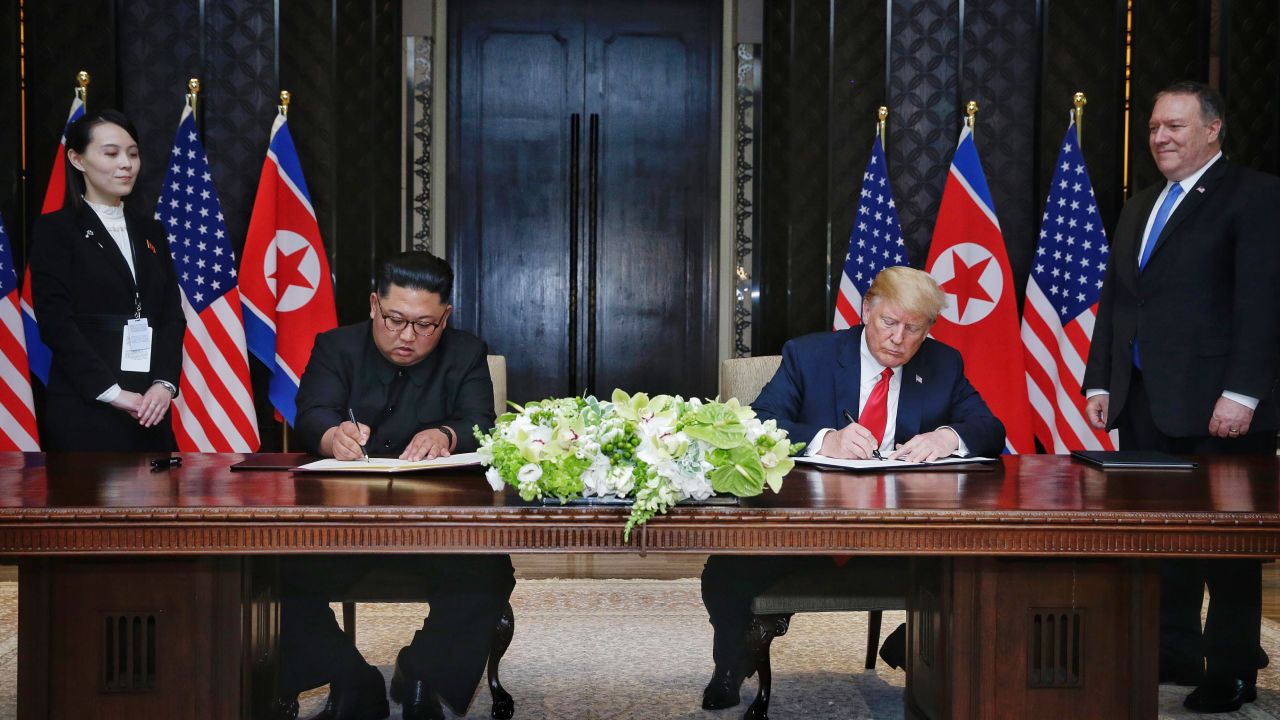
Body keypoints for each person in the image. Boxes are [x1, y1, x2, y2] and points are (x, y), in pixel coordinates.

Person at [699, 266, 1005, 710]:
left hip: (904, 535)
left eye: (913, 329)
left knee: (980, 570)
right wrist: (828, 439)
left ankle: (912, 645)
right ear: (866, 309)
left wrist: (947, 437)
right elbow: (759, 423)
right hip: (806, 525)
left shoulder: (943, 364)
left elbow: (990, 430)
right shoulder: (810, 356)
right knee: (724, 572)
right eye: (888, 322)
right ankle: (730, 663)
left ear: (928, 330)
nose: (898, 338)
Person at [1084, 81, 1280, 714]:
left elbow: (1263, 306)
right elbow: (1120, 300)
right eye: (1153, 129)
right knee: (1159, 537)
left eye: (1174, 126)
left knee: (1226, 546)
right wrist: (1102, 378)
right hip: (1143, 402)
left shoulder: (1255, 197)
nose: (1160, 138)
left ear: (1212, 129)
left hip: (1220, 408)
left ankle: (1230, 668)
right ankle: (1173, 651)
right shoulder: (1141, 203)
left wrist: (1243, 393)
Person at [280, 252, 514, 720]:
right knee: (265, 574)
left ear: (444, 317)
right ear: (373, 305)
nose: (408, 336)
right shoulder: (335, 346)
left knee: (490, 572)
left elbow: (480, 424)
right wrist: (332, 436)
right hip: (342, 524)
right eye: (395, 320)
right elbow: (312, 414)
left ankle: (421, 672)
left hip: (435, 524)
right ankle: (351, 678)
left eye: (425, 325)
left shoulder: (467, 352)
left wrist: (446, 435)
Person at [28, 109, 185, 451]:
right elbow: (56, 323)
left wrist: (164, 384)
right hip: (86, 410)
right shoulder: (56, 230)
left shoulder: (151, 230)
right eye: (111, 153)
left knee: (161, 503)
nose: (126, 164)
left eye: (132, 153)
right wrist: (112, 393)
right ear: (77, 159)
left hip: (149, 408)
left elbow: (172, 315)